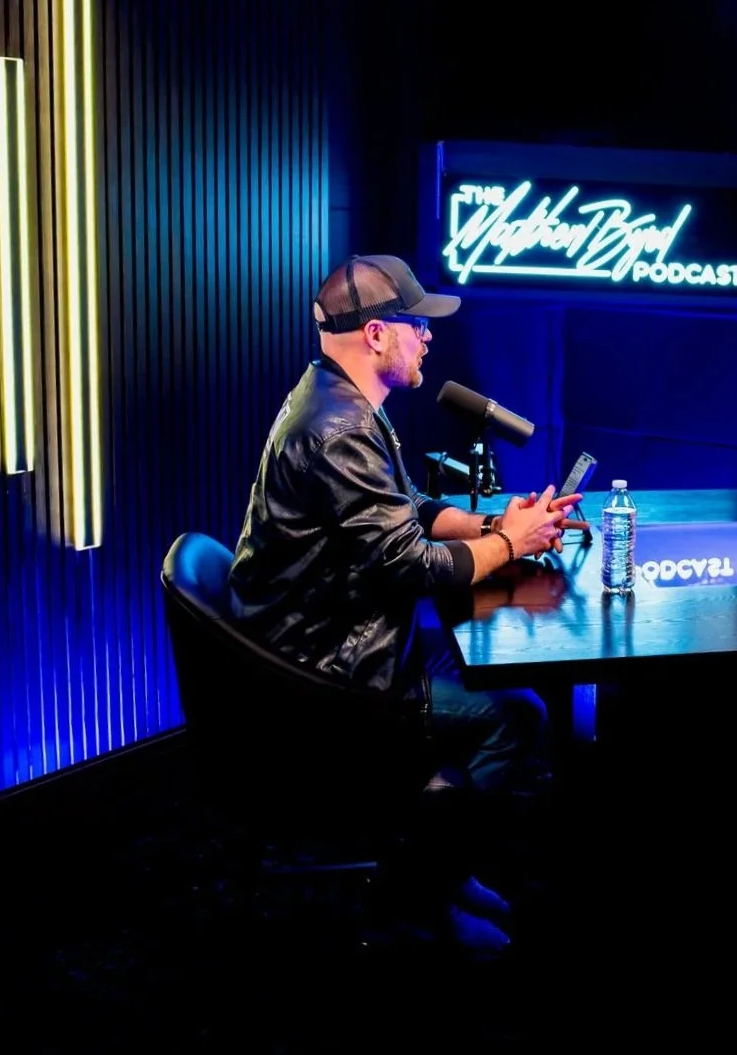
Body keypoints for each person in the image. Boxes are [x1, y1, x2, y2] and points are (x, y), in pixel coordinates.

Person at [229, 253, 583, 951]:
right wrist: (512, 545)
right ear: (376, 335)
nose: (429, 338)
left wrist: (494, 527)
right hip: (323, 677)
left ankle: (442, 870)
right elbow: (410, 565)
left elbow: (409, 512)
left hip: (332, 637)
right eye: (417, 326)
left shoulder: (338, 399)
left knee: (472, 666)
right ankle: (414, 900)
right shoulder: (339, 428)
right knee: (514, 717)